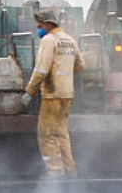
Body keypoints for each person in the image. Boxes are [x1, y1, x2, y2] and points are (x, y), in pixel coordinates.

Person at [23, 9, 84, 178]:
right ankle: (70, 171)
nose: (38, 29)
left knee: (47, 134)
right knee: (61, 133)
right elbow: (80, 66)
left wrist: (29, 91)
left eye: (40, 25)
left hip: (52, 94)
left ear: (48, 24)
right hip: (67, 95)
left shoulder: (49, 41)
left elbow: (41, 70)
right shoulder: (70, 40)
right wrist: (63, 68)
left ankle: (55, 173)